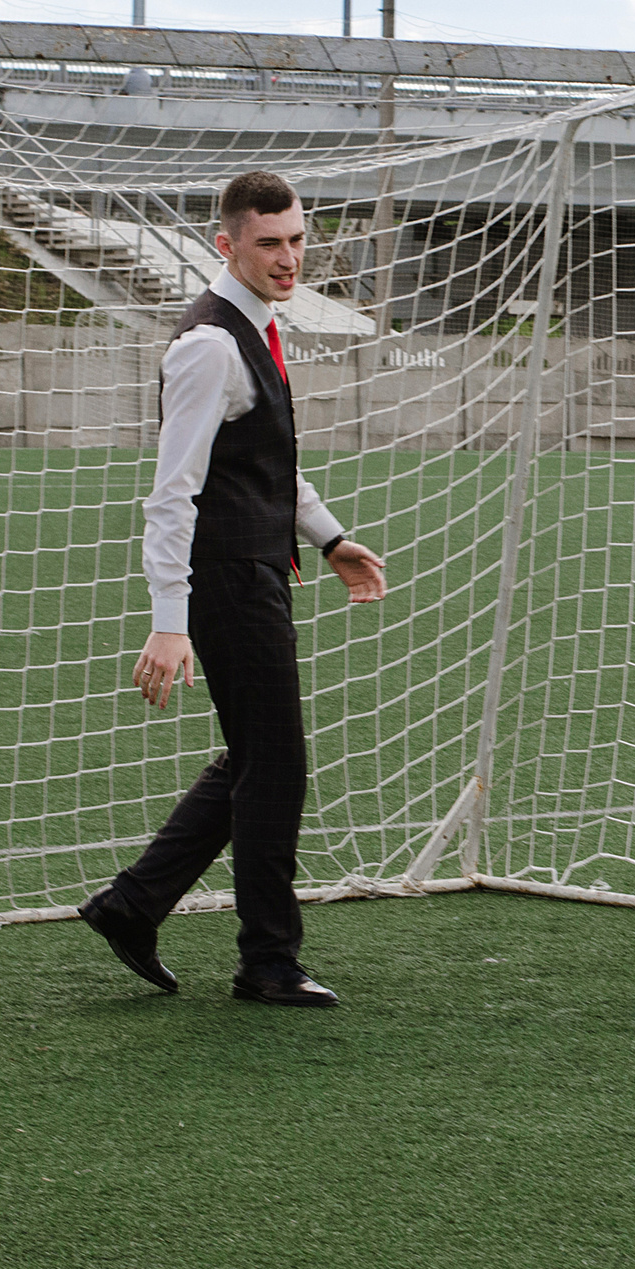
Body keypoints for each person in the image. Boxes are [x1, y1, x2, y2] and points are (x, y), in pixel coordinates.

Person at [79, 171, 387, 1008]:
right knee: (275, 765)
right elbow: (172, 494)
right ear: (226, 244)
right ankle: (267, 961)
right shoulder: (210, 345)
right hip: (226, 578)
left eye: (297, 241)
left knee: (259, 758)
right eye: (269, 243)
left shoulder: (257, 327)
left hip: (258, 570)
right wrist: (168, 621)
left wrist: (330, 540)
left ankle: (132, 905)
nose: (289, 259)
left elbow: (269, 465)